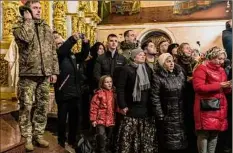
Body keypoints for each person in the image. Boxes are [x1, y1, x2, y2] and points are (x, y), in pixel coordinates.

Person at [13, 1, 59, 151]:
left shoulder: (46, 27)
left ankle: (38, 135)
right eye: (35, 8)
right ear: (27, 10)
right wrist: (28, 20)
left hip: (45, 74)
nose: (39, 11)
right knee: (26, 106)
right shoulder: (19, 26)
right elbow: (26, 38)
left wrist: (54, 71)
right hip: (28, 73)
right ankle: (27, 137)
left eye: (40, 8)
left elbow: (53, 51)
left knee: (42, 106)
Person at [115, 48, 158, 153]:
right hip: (131, 107)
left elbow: (152, 86)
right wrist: (122, 105)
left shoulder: (147, 68)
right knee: (131, 135)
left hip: (145, 108)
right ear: (134, 57)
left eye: (143, 55)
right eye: (140, 55)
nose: (143, 56)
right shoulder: (126, 69)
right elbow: (120, 88)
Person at [53, 31, 90, 148]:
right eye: (58, 44)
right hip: (63, 92)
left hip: (75, 92)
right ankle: (61, 140)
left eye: (62, 43)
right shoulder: (57, 55)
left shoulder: (72, 56)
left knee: (74, 118)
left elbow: (84, 55)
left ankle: (72, 140)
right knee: (62, 119)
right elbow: (63, 50)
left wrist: (85, 43)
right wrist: (72, 39)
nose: (61, 45)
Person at [193, 46, 231, 153]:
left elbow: (224, 90)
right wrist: (220, 85)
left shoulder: (222, 70)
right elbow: (198, 87)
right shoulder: (201, 68)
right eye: (219, 58)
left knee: (215, 134)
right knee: (204, 134)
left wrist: (228, 87)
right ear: (212, 57)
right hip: (205, 107)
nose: (221, 61)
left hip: (219, 106)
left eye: (223, 59)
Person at [151, 53, 188, 153]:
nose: (171, 63)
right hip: (168, 113)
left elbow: (186, 92)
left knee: (182, 141)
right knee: (170, 143)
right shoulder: (158, 77)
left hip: (181, 112)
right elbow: (155, 97)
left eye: (172, 61)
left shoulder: (179, 74)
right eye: (168, 61)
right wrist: (160, 114)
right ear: (162, 64)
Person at [90, 75, 115, 153]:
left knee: (109, 137)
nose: (109, 84)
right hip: (100, 120)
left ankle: (107, 149)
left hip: (111, 120)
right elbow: (93, 107)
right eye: (107, 82)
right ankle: (101, 150)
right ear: (102, 84)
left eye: (110, 82)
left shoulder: (114, 94)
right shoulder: (99, 94)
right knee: (101, 136)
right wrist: (93, 120)